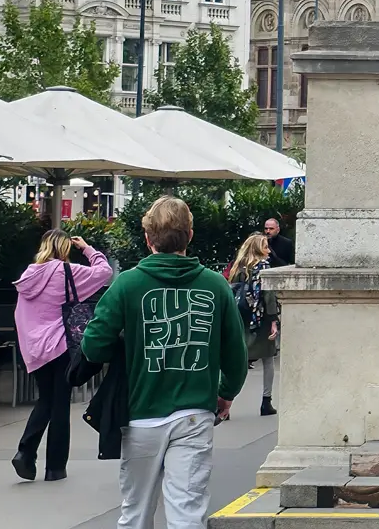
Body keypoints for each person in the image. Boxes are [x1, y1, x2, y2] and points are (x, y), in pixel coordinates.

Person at [82, 196, 248, 529]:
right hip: (194, 412)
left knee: (136, 510)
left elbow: (93, 346)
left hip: (141, 413)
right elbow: (236, 354)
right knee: (187, 509)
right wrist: (225, 393)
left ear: (147, 237)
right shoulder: (215, 285)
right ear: (190, 234)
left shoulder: (127, 284)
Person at [11, 230, 115, 481]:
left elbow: (20, 315)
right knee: (59, 405)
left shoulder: (28, 276)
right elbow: (105, 273)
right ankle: (55, 468)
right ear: (65, 248)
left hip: (34, 349)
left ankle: (25, 452)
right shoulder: (65, 271)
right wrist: (88, 248)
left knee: (46, 399)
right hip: (59, 346)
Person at [227, 233, 281, 417]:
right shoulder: (264, 268)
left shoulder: (238, 267)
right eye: (265, 246)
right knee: (267, 359)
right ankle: (266, 402)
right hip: (261, 319)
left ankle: (226, 401)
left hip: (240, 317)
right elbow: (269, 296)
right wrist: (274, 321)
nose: (268, 250)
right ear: (258, 248)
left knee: (238, 360)